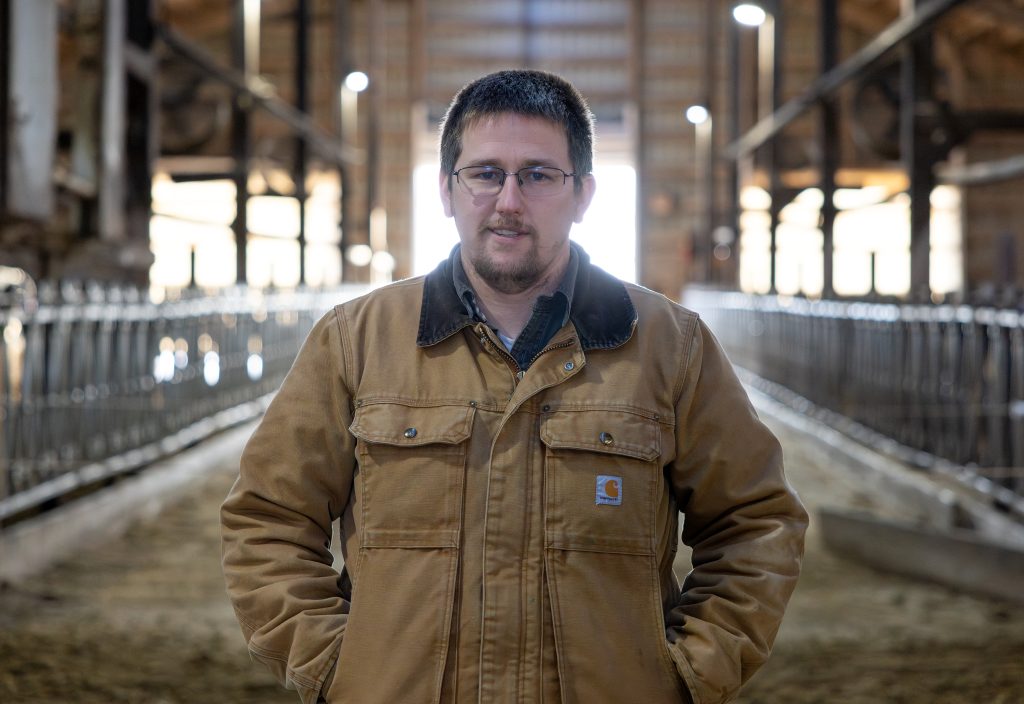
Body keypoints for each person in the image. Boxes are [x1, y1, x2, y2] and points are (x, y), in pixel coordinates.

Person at [221, 69, 807, 704]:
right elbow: (268, 518)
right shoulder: (356, 341)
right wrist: (338, 668)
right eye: (485, 173)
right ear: (448, 189)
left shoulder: (670, 346)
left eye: (538, 174)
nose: (508, 201)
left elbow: (755, 523)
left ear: (582, 194)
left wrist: (689, 675)